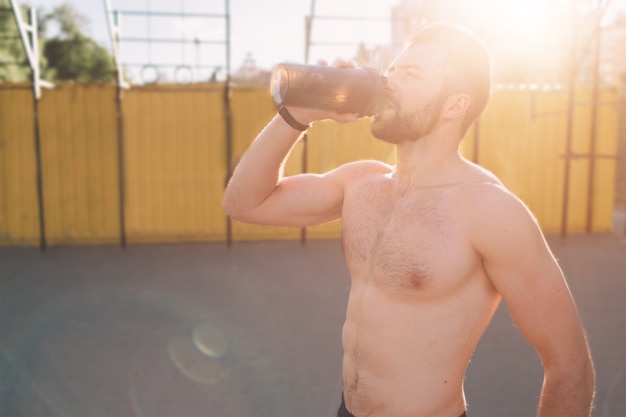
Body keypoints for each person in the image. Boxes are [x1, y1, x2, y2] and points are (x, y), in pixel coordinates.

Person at [222, 23, 595, 417]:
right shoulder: (361, 183)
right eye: (392, 70)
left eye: (411, 74)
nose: (390, 82)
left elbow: (569, 367)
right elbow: (244, 203)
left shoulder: (490, 211)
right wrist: (298, 114)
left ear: (455, 105)